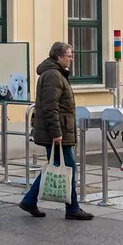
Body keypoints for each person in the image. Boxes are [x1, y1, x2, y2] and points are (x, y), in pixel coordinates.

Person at [19, 41, 94, 220]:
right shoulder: (53, 75)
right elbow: (50, 107)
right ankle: (72, 208)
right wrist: (57, 133)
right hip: (56, 132)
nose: (72, 58)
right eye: (69, 55)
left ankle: (30, 200)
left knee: (56, 167)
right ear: (59, 57)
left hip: (58, 130)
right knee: (68, 167)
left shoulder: (56, 73)